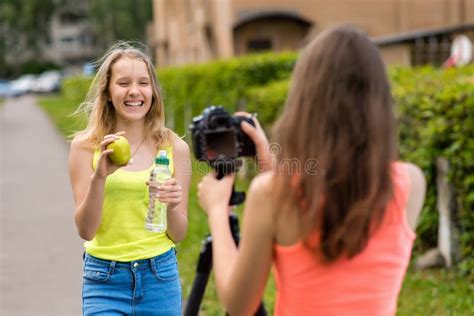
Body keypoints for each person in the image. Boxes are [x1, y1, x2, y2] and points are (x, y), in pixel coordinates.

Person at [197, 26, 426, 315]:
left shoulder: (269, 195)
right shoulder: (411, 183)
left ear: (305, 102)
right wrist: (271, 164)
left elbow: (238, 305)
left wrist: (218, 210)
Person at [68, 42, 191, 315]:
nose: (134, 91)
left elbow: (179, 233)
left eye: (143, 83)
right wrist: (99, 177)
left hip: (160, 277)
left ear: (153, 92)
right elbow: (86, 230)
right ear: (108, 92)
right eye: (123, 83)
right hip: (104, 279)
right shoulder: (85, 147)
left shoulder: (175, 148)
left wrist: (171, 205)